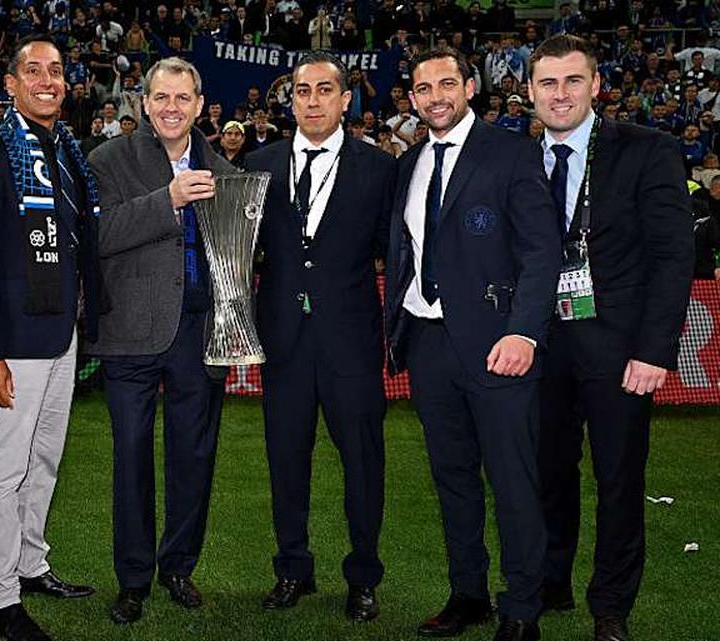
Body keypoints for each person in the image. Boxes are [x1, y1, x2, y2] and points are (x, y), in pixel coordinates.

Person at [384, 48, 561, 641]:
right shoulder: (408, 163)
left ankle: (522, 607)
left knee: (512, 480)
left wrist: (523, 330)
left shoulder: (510, 152)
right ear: (410, 98)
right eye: (422, 88)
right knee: (453, 478)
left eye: (445, 84)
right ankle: (468, 594)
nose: (434, 96)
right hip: (429, 344)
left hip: (497, 344)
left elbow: (542, 251)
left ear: (468, 87)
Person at [527, 35, 694, 641]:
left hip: (621, 350)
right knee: (546, 471)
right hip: (541, 346)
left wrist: (655, 351)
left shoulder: (648, 150)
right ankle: (551, 582)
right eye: (548, 83)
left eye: (573, 81)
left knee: (620, 478)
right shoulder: (516, 159)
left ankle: (612, 606)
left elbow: (675, 256)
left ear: (596, 85)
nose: (561, 94)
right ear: (530, 93)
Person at [244, 51, 395, 620]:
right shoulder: (259, 164)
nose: (312, 100)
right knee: (286, 461)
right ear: (290, 100)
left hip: (351, 342)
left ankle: (363, 576)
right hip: (283, 340)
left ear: (345, 99)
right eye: (302, 90)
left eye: (324, 90)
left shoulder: (380, 169)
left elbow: (394, 253)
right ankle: (292, 569)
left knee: (362, 462)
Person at [0, 35, 99, 641]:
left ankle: (31, 563)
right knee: (4, 467)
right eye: (34, 71)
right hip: (14, 340)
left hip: (62, 331)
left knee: (44, 459)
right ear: (10, 85)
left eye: (57, 71)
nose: (49, 80)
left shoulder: (67, 148)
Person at [86, 57, 236, 625]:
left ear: (200, 105)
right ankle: (132, 578)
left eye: (183, 98)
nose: (172, 108)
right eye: (161, 97)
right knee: (131, 459)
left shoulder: (223, 166)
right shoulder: (108, 159)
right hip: (130, 336)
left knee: (193, 458)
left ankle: (178, 566)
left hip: (199, 334)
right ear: (144, 103)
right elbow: (96, 237)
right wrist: (167, 200)